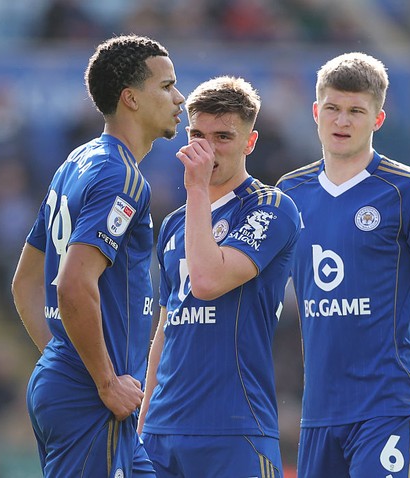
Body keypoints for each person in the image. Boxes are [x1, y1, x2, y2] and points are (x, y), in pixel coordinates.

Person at [276, 52, 410, 477]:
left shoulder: (408, 190)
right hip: (319, 412)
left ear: (377, 119)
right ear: (316, 112)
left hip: (390, 403)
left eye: (355, 111)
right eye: (332, 108)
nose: (341, 121)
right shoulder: (289, 193)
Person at [11, 34, 185, 477]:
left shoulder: (77, 162)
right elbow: (72, 283)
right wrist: (101, 379)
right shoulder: (120, 177)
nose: (179, 98)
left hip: (79, 386)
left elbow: (26, 282)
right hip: (92, 394)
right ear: (130, 98)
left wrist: (61, 359)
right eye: (166, 86)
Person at [137, 76, 301, 477]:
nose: (207, 150)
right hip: (162, 433)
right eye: (197, 134)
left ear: (251, 142)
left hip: (234, 431)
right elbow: (167, 323)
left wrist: (195, 191)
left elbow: (208, 283)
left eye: (223, 137)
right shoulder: (176, 224)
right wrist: (142, 422)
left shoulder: (270, 208)